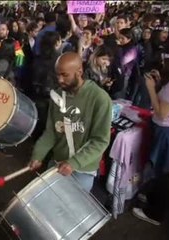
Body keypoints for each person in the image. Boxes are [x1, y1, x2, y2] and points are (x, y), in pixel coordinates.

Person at [29, 52, 112, 192]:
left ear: (79, 72)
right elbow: (51, 132)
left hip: (83, 170)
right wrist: (38, 154)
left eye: (64, 75)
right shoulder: (57, 95)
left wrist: (74, 163)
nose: (60, 80)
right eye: (57, 75)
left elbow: (100, 141)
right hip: (57, 163)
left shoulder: (100, 99)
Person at [132, 44, 169, 225]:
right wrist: (159, 85)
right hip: (167, 130)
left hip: (167, 132)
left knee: (162, 175)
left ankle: (155, 213)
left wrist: (150, 88)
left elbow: (161, 113)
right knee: (160, 172)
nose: (162, 62)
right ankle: (151, 198)